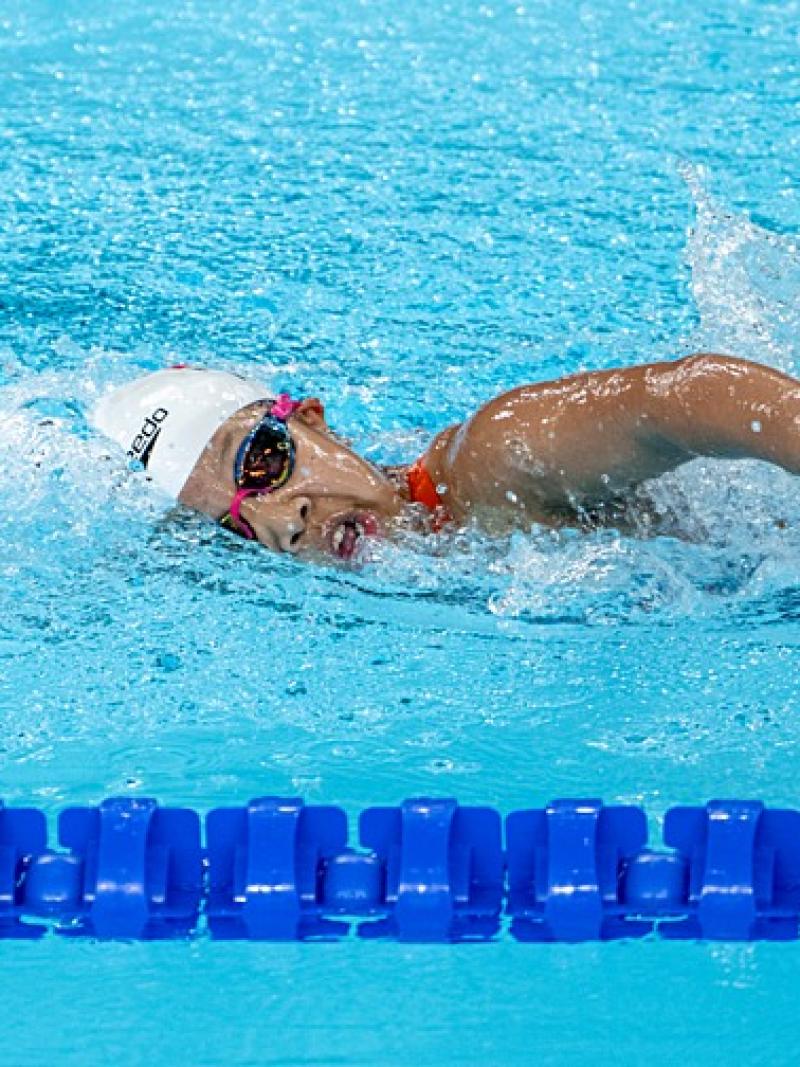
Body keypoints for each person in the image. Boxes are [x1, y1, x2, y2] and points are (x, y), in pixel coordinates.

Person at [91, 354, 800, 562]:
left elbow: (686, 398)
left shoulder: (494, 462)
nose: (287, 517)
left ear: (311, 419)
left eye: (264, 461)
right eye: (235, 525)